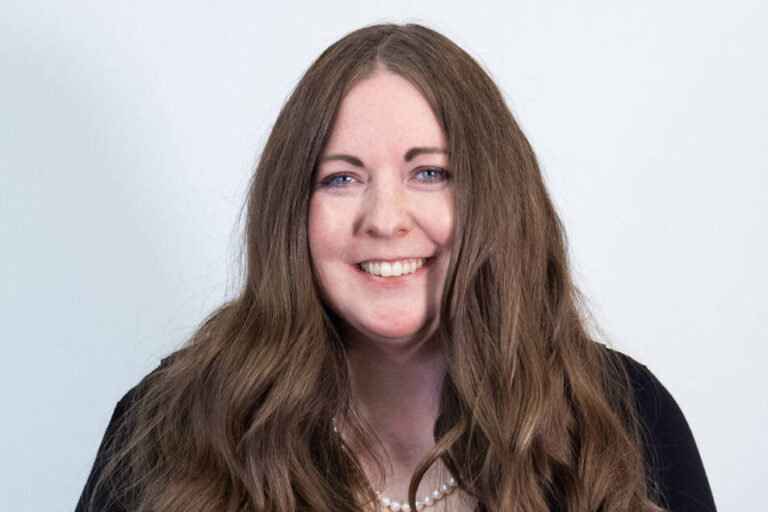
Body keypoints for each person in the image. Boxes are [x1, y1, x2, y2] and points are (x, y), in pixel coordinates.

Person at [76, 23, 716, 512]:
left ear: (494, 198)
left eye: (430, 173)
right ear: (291, 212)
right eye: (341, 177)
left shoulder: (626, 418)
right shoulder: (172, 423)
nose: (385, 218)